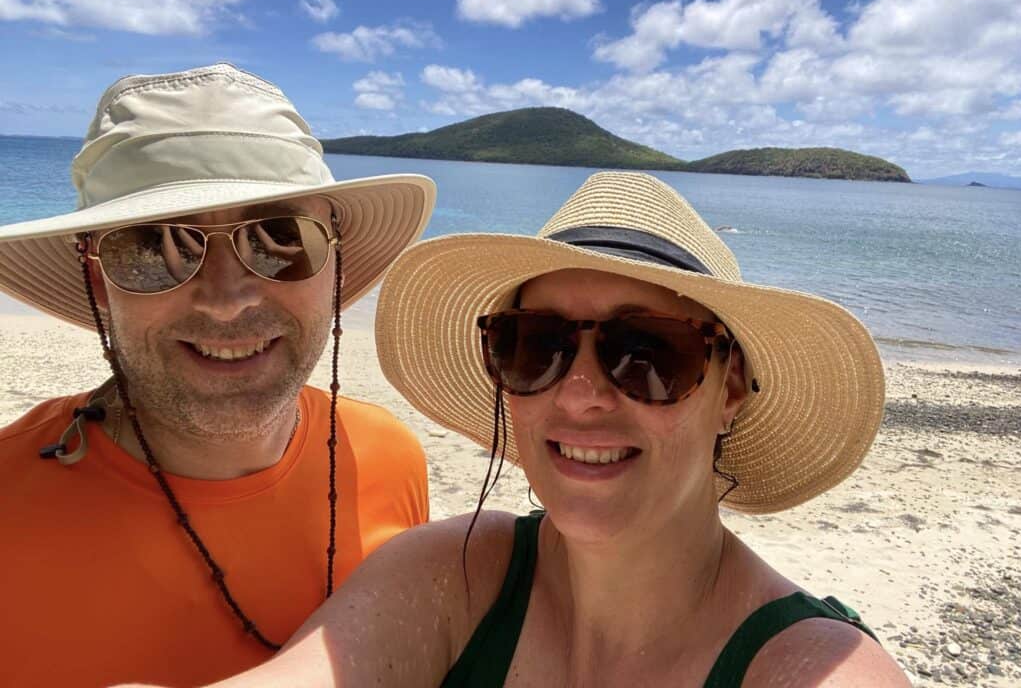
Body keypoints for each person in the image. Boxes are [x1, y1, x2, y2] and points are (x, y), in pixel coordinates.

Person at [155, 171, 909, 687]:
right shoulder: (452, 577)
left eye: (646, 353)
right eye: (535, 344)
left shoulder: (808, 667)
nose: (580, 395)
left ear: (732, 387)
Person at [0, 64, 436, 687]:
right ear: (98, 278)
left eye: (279, 237)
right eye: (152, 246)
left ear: (333, 262)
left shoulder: (390, 457)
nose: (226, 300)